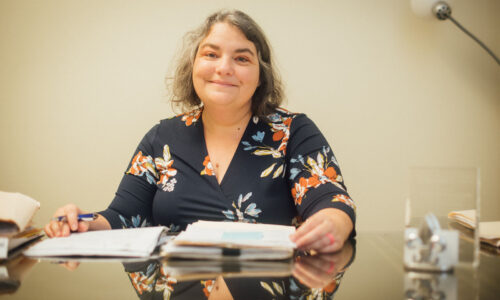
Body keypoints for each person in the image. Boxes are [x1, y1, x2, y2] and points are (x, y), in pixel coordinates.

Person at [44, 9, 356, 253]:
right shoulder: (161, 138)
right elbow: (123, 217)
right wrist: (81, 223)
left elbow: (331, 201)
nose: (224, 68)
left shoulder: (293, 131)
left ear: (261, 75)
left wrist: (334, 222)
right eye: (211, 54)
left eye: (241, 58)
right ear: (193, 65)